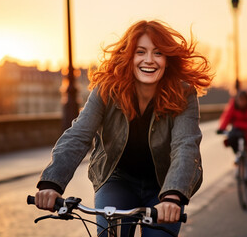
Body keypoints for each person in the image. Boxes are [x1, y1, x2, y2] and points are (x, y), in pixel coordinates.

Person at [34, 20, 212, 236]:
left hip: (164, 185)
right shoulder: (107, 90)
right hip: (117, 179)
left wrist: (173, 196)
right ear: (129, 56)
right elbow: (79, 135)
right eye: (140, 52)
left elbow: (185, 145)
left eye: (158, 53)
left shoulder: (183, 94)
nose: (149, 60)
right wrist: (51, 183)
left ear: (167, 59)